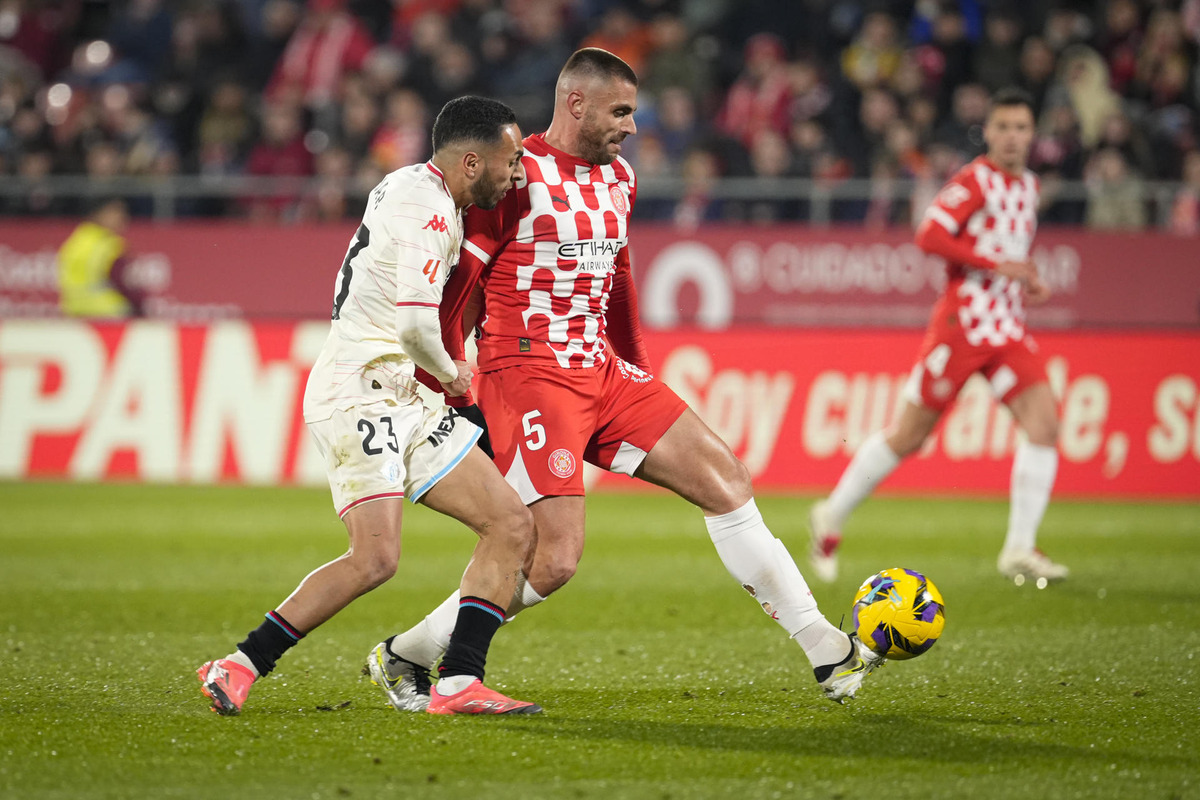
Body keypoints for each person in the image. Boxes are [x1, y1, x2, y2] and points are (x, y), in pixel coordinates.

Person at [372, 48, 881, 711]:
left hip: (603, 371)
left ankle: (826, 652)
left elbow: (616, 277)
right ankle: (410, 652)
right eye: (620, 111)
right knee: (553, 559)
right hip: (527, 373)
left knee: (724, 478)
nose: (632, 126)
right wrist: (442, 373)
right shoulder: (515, 174)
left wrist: (635, 360)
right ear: (575, 103)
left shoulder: (622, 180)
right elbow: (463, 282)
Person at [197, 96, 542, 717]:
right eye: (510, 159)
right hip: (360, 389)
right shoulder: (428, 211)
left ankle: (460, 680)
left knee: (511, 524)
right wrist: (456, 376)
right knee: (376, 558)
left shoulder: (410, 185)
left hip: (402, 393)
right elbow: (413, 328)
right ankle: (241, 662)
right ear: (471, 162)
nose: (516, 171)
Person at [809, 87, 1069, 587]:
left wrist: (1026, 278)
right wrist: (997, 266)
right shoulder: (975, 181)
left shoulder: (1030, 186)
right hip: (963, 326)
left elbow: (1006, 250)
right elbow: (929, 234)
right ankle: (831, 516)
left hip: (1008, 329)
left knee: (1045, 425)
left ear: (1032, 134)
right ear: (988, 132)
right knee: (909, 435)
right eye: (1004, 127)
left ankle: (1018, 548)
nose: (1013, 137)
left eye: (1021, 128)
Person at [57, 197, 143, 318]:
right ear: (100, 214)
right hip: (108, 312)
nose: (123, 218)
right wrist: (139, 308)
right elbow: (121, 282)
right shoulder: (110, 243)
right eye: (117, 212)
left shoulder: (75, 240)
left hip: (73, 311)